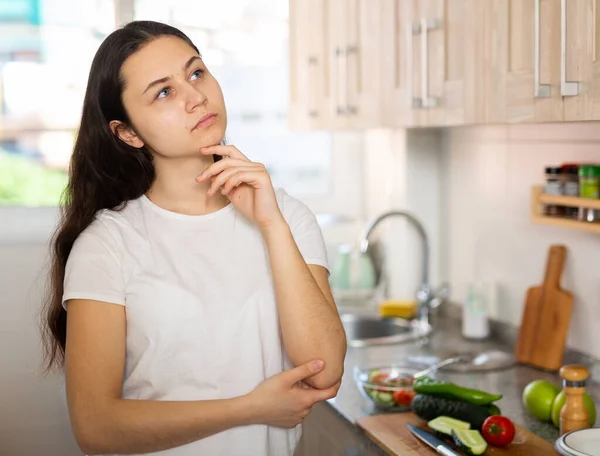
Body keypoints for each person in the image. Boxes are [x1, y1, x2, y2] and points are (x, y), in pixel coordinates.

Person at [40, 20, 346, 456]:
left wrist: (272, 225)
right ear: (127, 132)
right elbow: (96, 427)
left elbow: (325, 371)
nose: (196, 96)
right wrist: (250, 408)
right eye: (164, 92)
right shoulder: (108, 245)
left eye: (196, 73)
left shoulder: (286, 217)